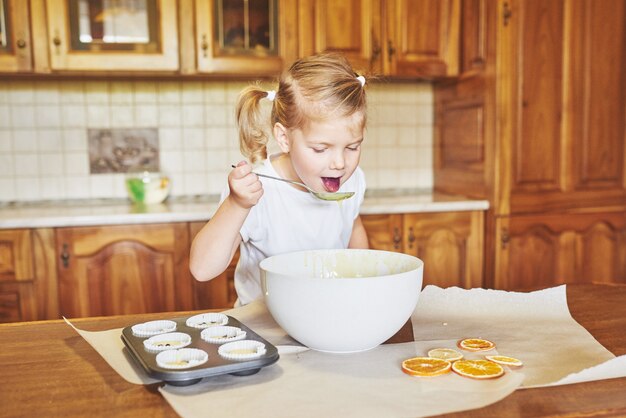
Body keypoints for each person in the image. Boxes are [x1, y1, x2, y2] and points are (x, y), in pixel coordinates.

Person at [190, 52, 369, 306]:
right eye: (320, 149)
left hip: (326, 318)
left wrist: (362, 283)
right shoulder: (257, 190)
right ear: (284, 138)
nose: (340, 163)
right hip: (263, 329)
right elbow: (202, 269)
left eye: (352, 147)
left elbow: (352, 225)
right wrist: (236, 205)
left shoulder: (353, 181)